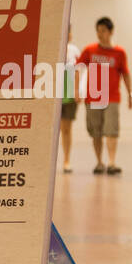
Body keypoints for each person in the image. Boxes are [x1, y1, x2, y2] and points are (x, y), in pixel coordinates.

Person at [78, 16, 132, 176]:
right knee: (96, 132)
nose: (100, 34)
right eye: (98, 30)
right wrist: (76, 90)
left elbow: (126, 74)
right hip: (93, 97)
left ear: (111, 32)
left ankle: (112, 162)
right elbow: (78, 68)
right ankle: (99, 162)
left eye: (103, 31)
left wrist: (131, 94)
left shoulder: (119, 53)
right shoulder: (90, 50)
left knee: (111, 130)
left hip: (112, 97)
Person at [59, 27, 80, 174]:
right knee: (57, 130)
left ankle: (66, 160)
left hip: (70, 94)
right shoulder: (53, 48)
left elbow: (78, 71)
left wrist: (77, 91)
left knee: (67, 129)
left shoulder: (74, 50)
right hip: (55, 94)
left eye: (69, 31)